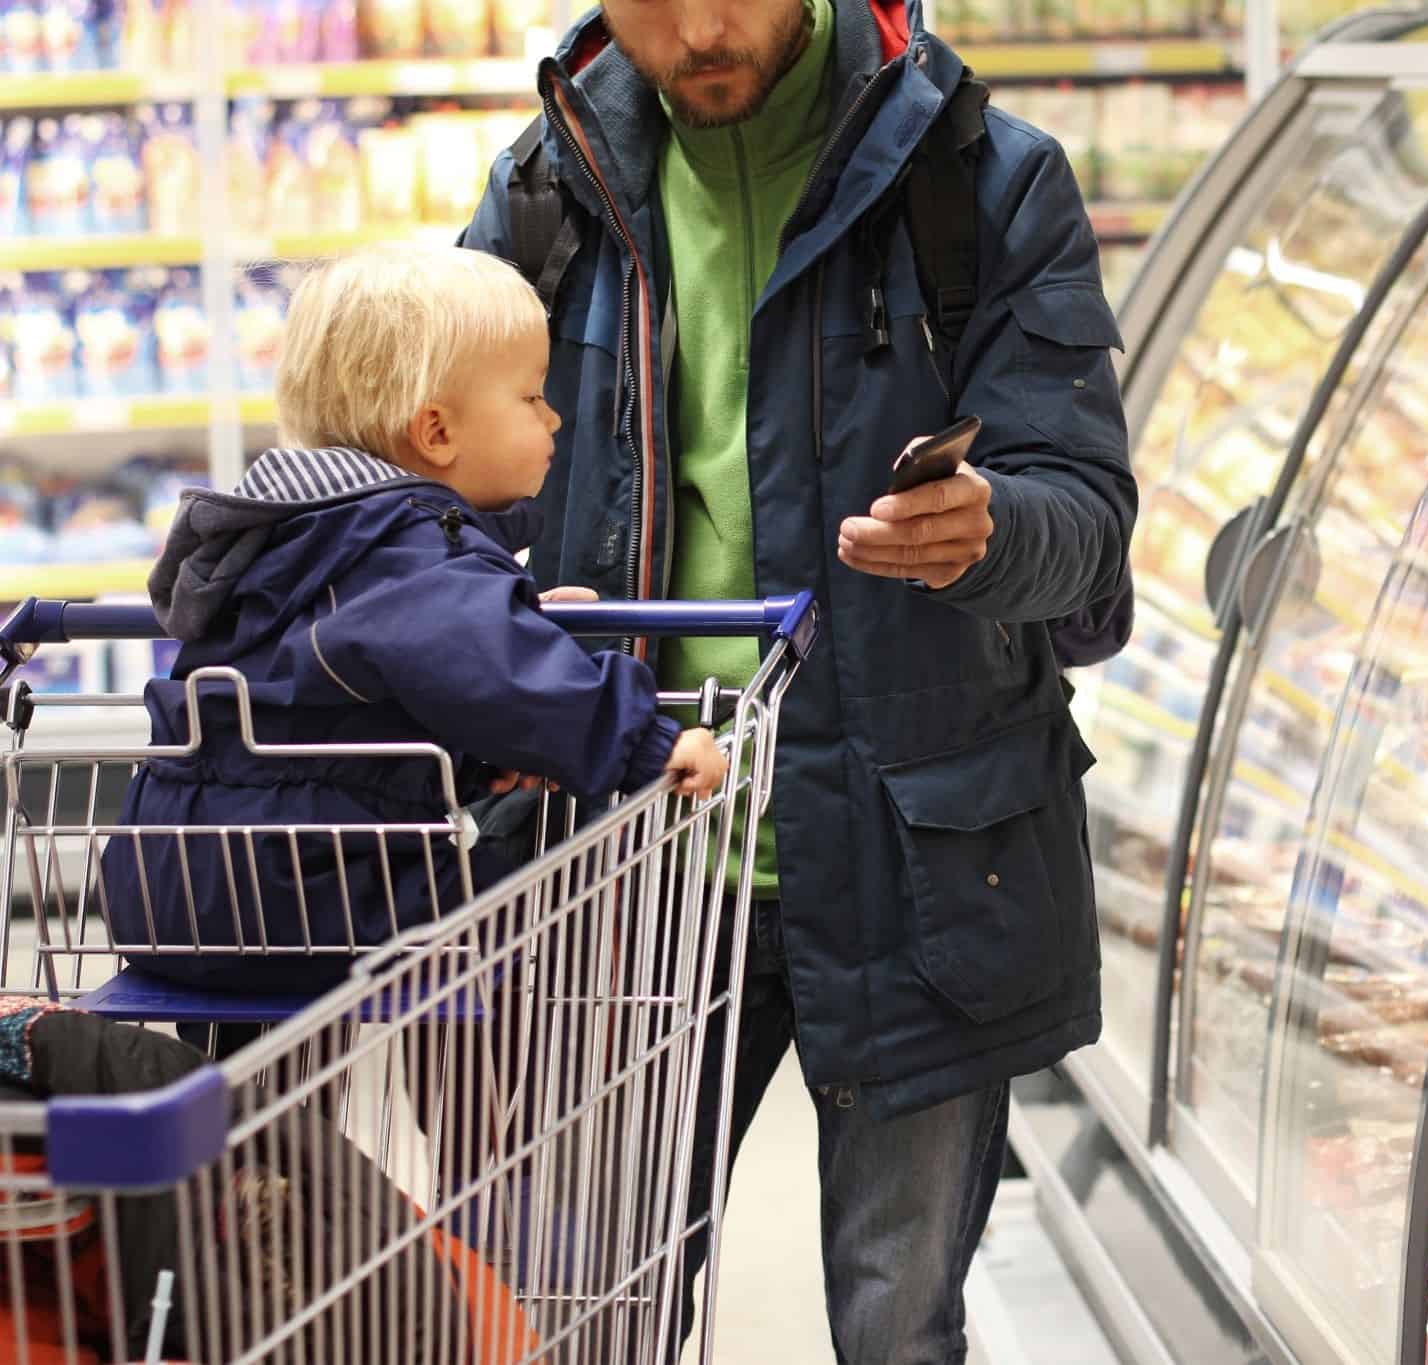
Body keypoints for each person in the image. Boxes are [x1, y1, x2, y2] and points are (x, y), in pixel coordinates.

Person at [460, 0, 1135, 1358]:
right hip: (623, 875)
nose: (701, 31)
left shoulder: (983, 180)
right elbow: (432, 497)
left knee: (899, 1327)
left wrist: (994, 528)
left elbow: (1089, 522)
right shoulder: (545, 192)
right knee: (589, 1318)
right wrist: (493, 611)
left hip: (918, 862)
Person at [104, 243, 728, 993]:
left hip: (174, 882)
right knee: (500, 917)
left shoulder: (294, 536)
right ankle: (489, 1117)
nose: (555, 415)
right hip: (307, 889)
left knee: (265, 1082)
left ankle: (273, 1118)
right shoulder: (411, 553)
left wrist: (495, 678)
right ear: (435, 433)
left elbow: (333, 707)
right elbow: (497, 669)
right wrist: (647, 741)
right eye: (532, 396)